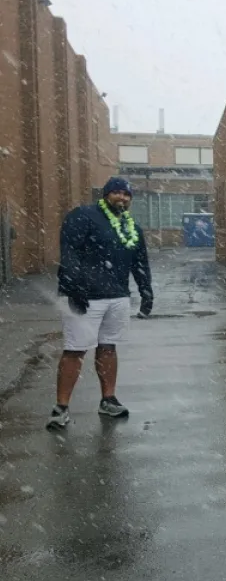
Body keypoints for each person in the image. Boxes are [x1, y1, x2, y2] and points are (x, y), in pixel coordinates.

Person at [47, 177, 153, 430]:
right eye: (117, 192)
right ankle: (60, 407)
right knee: (75, 349)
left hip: (117, 297)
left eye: (127, 195)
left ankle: (108, 399)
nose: (122, 198)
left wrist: (146, 291)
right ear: (106, 194)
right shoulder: (83, 216)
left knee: (108, 347)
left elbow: (139, 261)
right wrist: (74, 287)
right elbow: (69, 251)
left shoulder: (131, 227)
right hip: (84, 297)